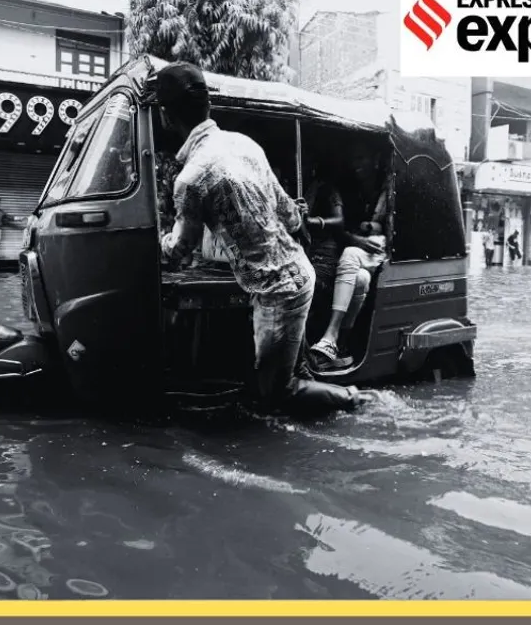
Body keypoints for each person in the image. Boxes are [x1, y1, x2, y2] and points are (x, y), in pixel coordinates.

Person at [156, 62, 359, 413]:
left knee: (277, 393)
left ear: (165, 116)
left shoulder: (190, 180)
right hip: (298, 274)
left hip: (277, 291)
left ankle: (359, 402)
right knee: (285, 372)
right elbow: (290, 213)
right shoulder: (244, 144)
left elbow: (179, 250)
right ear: (208, 105)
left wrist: (159, 238)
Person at [302, 162, 386, 372]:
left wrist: (365, 232)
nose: (358, 166)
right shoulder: (355, 191)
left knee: (349, 257)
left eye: (361, 159)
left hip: (377, 246)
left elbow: (341, 225)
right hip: (352, 249)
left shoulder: (386, 187)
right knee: (361, 279)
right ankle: (339, 345)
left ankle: (332, 337)